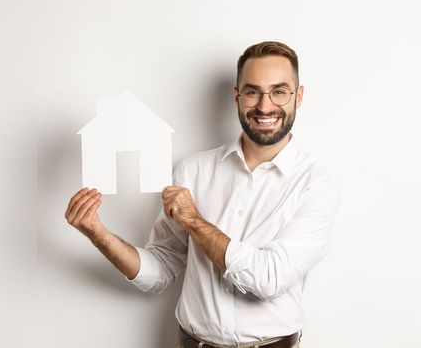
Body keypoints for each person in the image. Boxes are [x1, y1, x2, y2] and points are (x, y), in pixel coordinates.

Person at [65, 41, 340, 348]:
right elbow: (162, 270)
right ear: (237, 96)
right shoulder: (193, 170)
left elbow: (268, 279)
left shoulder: (316, 185)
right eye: (252, 92)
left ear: (298, 97)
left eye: (279, 91)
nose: (265, 106)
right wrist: (98, 233)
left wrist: (194, 221)